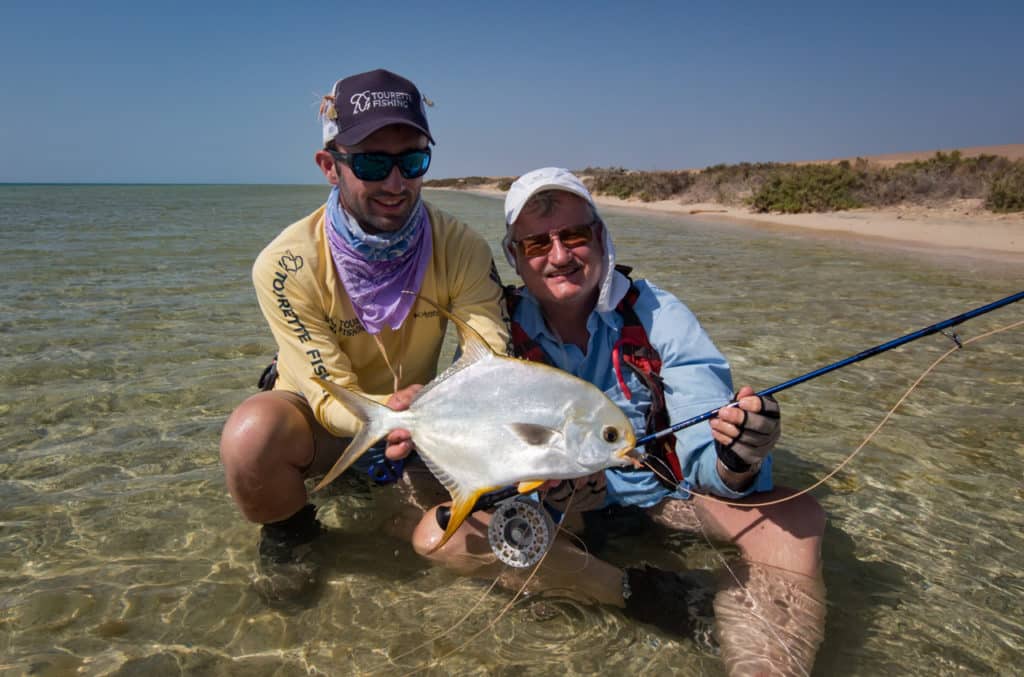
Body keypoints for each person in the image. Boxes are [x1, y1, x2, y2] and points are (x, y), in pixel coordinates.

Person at [411, 168, 826, 674]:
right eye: (537, 243)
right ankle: (640, 594)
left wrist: (737, 456)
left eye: (575, 235)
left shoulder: (659, 315)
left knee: (796, 520)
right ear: (515, 257)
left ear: (602, 237)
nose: (560, 256)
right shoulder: (496, 332)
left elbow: (703, 447)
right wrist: (534, 491)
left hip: (665, 501)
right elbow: (482, 439)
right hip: (563, 516)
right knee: (438, 539)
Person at [219, 68, 508, 602]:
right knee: (250, 436)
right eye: (373, 163)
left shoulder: (462, 245)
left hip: (420, 418)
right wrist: (394, 411)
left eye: (413, 160)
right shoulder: (284, 264)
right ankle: (291, 533)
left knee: (453, 539)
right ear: (329, 166)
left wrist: (445, 407)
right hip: (329, 420)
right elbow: (327, 388)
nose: (396, 183)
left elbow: (487, 349)